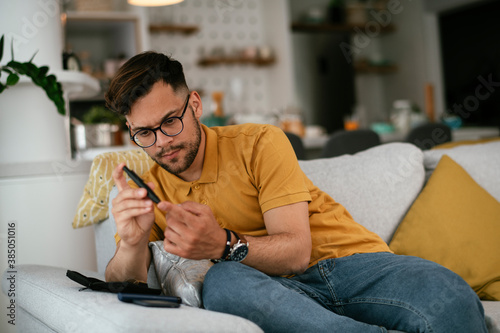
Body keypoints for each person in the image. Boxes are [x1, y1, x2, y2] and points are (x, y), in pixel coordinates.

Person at [104, 51, 487, 333]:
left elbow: (296, 253)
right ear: (130, 129)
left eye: (170, 121)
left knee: (450, 295)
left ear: (195, 105)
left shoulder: (259, 142)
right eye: (144, 133)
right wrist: (132, 243)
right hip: (272, 293)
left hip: (349, 266)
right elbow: (126, 283)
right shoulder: (151, 187)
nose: (162, 143)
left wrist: (221, 243)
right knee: (222, 283)